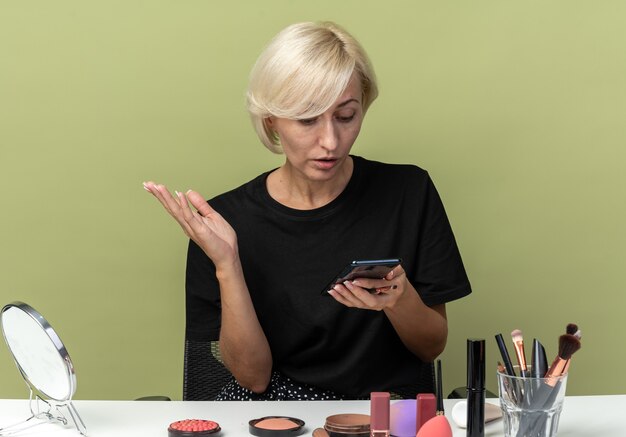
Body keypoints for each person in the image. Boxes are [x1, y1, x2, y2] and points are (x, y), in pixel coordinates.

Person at [143, 21, 471, 400]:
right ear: (272, 122)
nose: (330, 142)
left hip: (378, 417)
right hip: (275, 418)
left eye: (346, 116)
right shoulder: (222, 224)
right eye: (307, 119)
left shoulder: (409, 193)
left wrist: (398, 299)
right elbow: (254, 379)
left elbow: (430, 347)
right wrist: (227, 265)